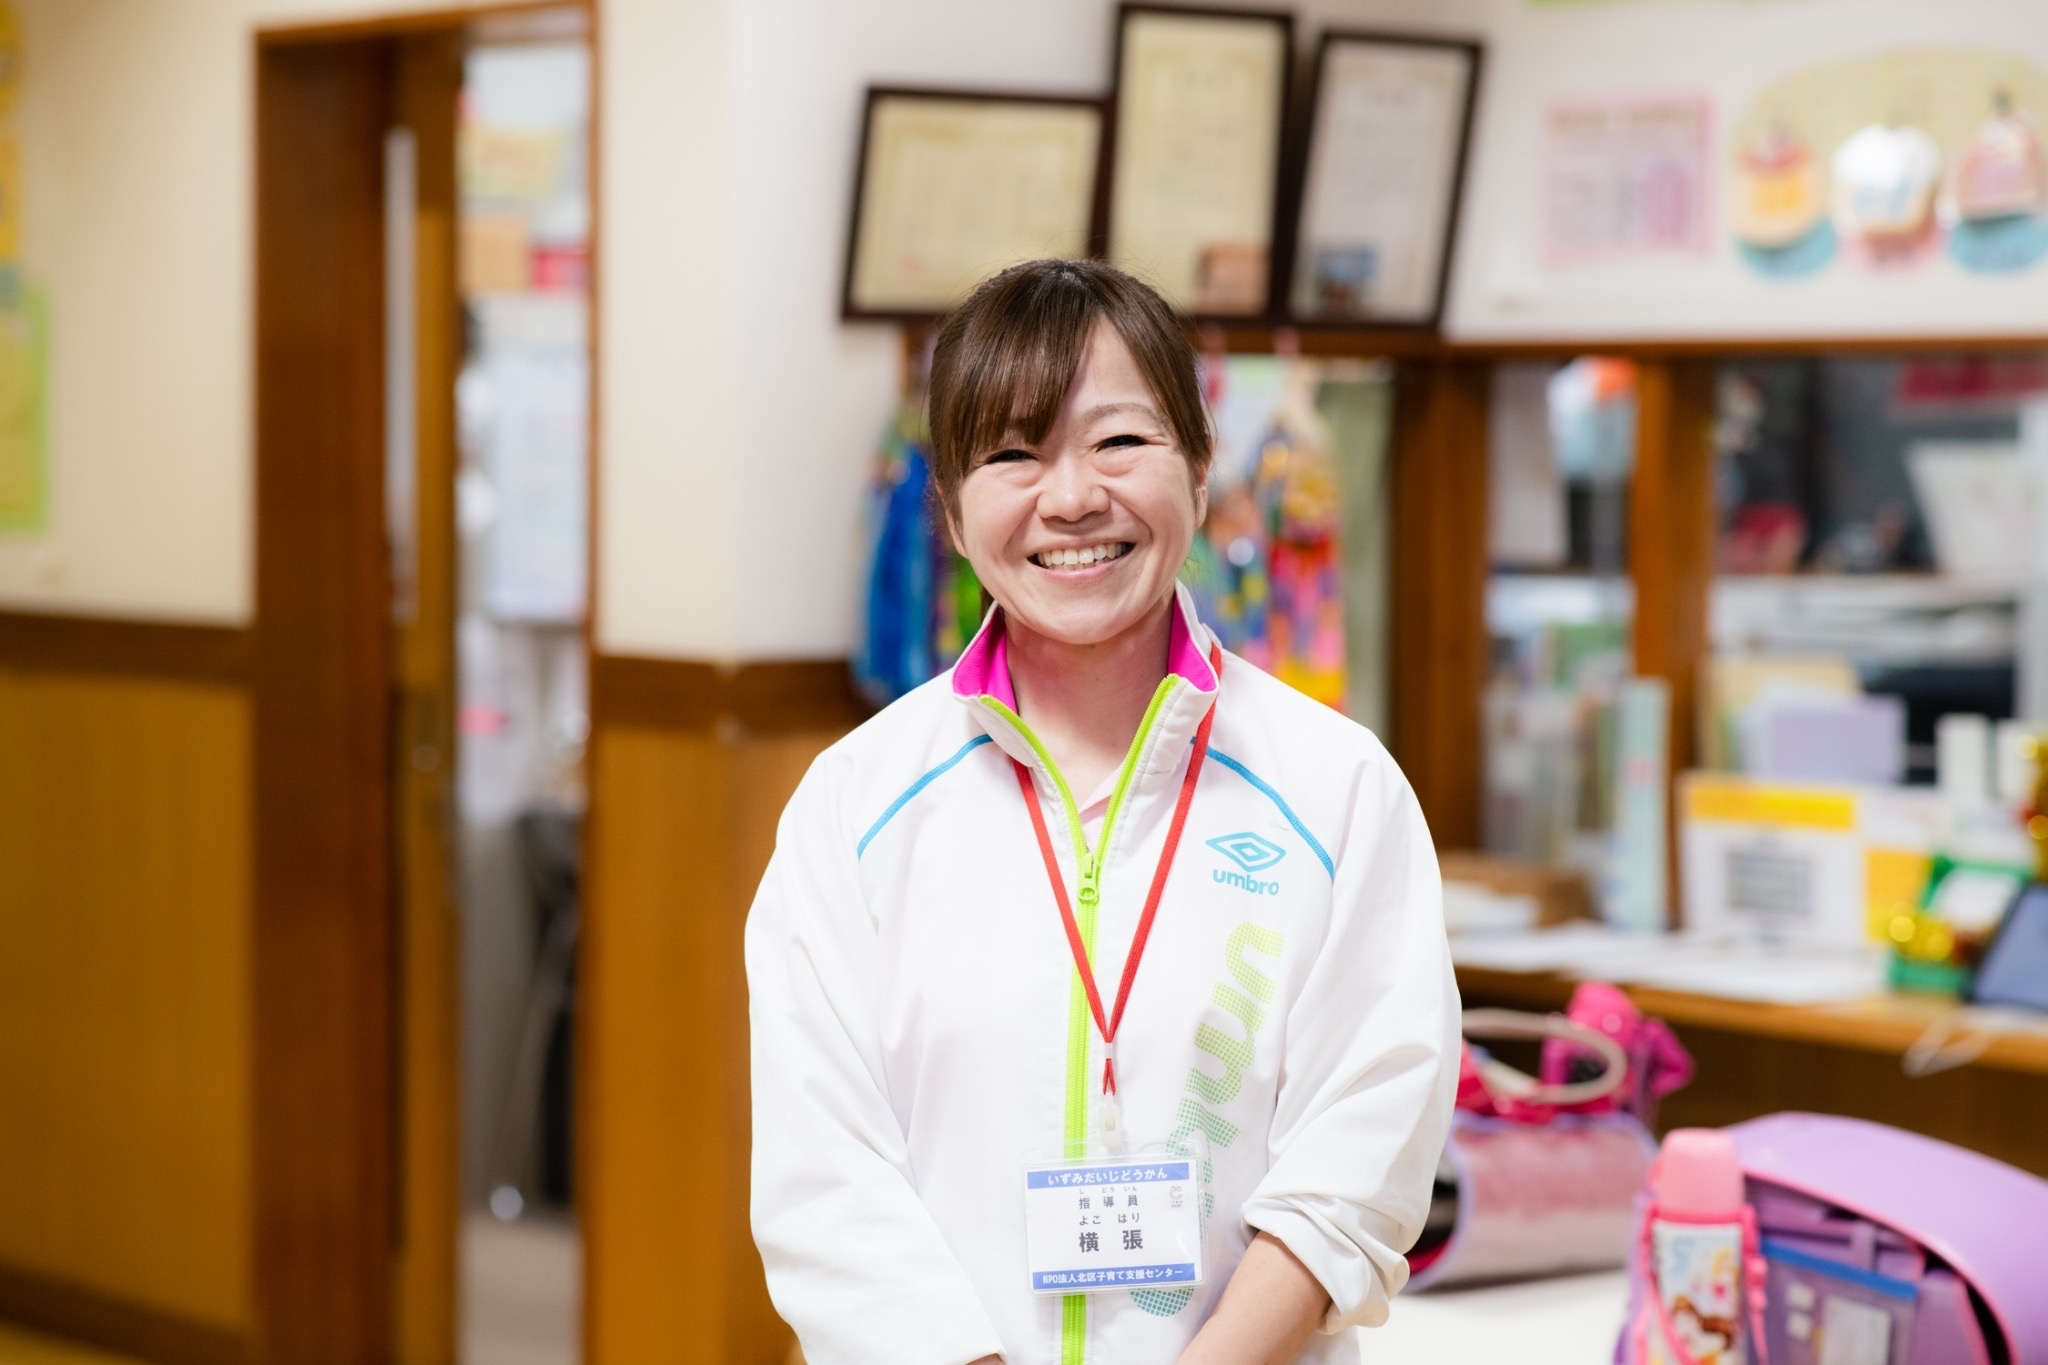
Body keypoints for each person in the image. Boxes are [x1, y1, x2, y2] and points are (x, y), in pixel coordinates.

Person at [746, 258, 1458, 1365]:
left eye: (1119, 442)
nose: (1071, 497)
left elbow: (1364, 1143)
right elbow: (823, 1183)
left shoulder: (1335, 788)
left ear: (1199, 461)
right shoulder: (855, 807)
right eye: (1011, 454)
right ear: (950, 505)